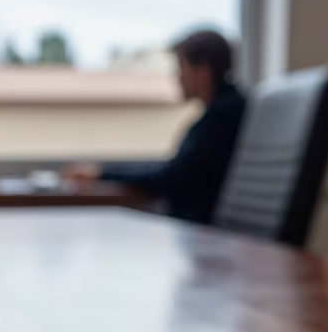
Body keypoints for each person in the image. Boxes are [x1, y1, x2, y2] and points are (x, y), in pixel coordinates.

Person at [66, 29, 247, 224]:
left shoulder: (223, 116)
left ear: (203, 70)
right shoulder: (220, 112)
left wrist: (101, 173)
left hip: (200, 232)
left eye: (180, 68)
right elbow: (176, 168)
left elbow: (171, 176)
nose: (177, 77)